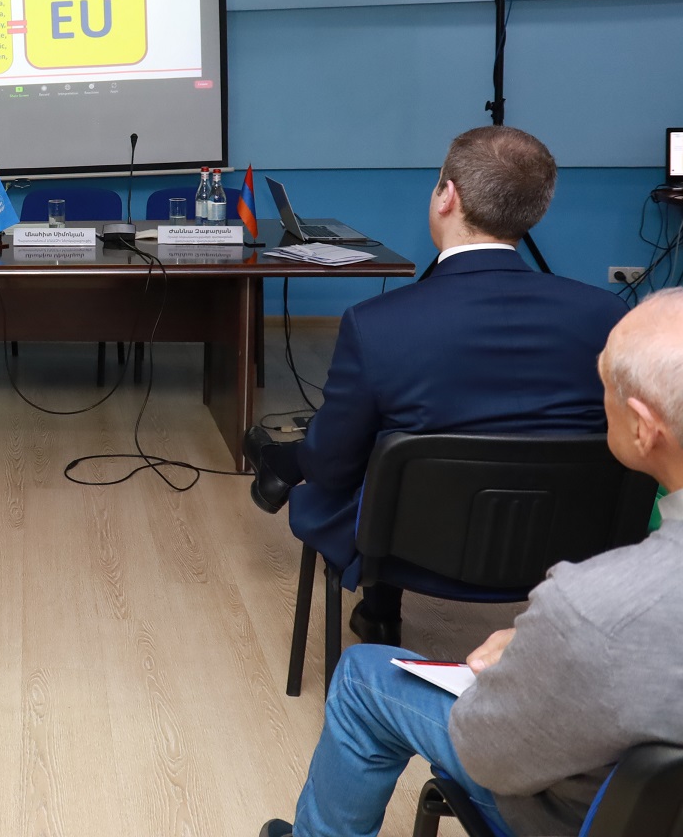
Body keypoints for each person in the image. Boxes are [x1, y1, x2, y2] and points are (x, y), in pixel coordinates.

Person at [261, 288, 683, 837]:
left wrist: (535, 658)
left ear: (643, 427)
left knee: (363, 679)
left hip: (587, 818)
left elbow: (491, 757)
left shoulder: (590, 605)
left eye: (603, 385)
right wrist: (548, 644)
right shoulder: (596, 607)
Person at [245, 126, 624, 645]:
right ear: (536, 208)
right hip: (573, 544)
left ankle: (376, 606)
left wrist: (307, 458)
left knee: (366, 446)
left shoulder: (377, 324)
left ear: (447, 196)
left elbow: (331, 468)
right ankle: (374, 603)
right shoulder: (607, 315)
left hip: (405, 548)